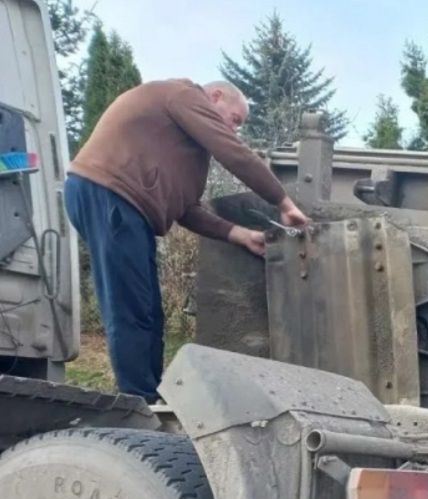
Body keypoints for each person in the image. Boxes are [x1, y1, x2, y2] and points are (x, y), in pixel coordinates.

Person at [64, 79, 308, 400]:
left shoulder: (185, 149)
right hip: (109, 195)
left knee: (149, 310)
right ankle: (138, 400)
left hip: (127, 207)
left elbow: (187, 210)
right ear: (216, 96)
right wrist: (284, 202)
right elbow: (233, 153)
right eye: (235, 120)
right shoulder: (184, 95)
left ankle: (151, 395)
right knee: (130, 307)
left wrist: (240, 235)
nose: (235, 131)